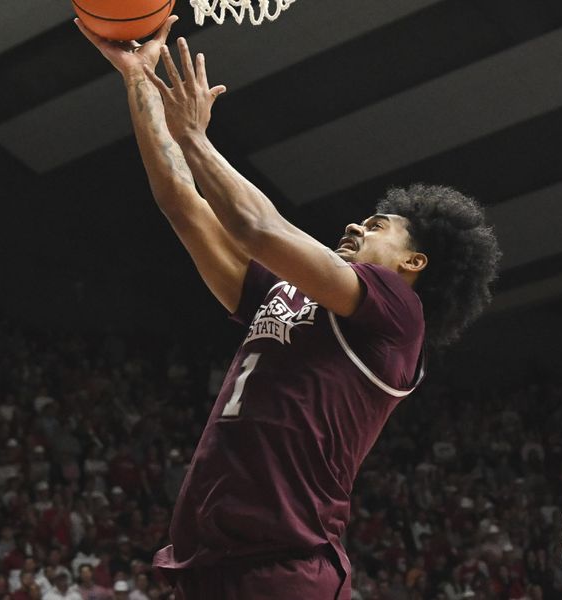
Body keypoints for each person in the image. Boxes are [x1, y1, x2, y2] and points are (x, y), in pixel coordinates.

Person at [75, 16, 500, 599]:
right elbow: (181, 203)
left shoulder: (398, 314)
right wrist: (138, 80)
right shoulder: (282, 293)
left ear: (414, 265)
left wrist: (197, 139)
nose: (355, 224)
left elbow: (257, 225)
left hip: (284, 566)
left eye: (378, 226)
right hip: (205, 563)